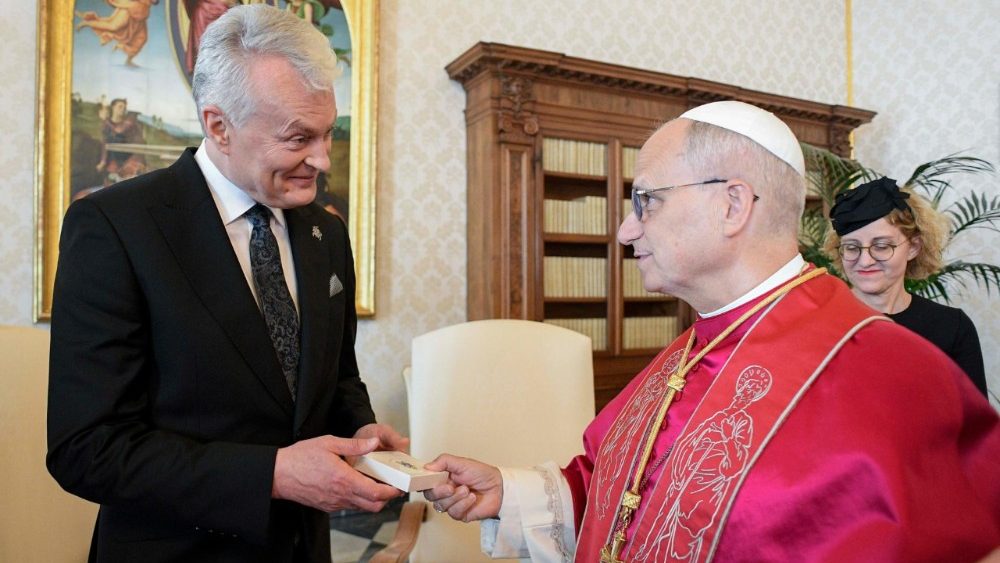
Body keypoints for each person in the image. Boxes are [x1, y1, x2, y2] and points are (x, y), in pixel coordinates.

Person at [423, 101, 1000, 562]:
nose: (625, 231)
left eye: (646, 201)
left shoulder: (884, 368)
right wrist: (508, 491)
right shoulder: (691, 350)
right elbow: (624, 497)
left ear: (732, 205)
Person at [47, 6, 405, 562]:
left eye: (328, 133)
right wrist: (273, 474)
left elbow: (337, 379)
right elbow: (87, 448)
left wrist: (362, 434)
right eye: (298, 138)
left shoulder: (326, 233)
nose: (321, 159)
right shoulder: (115, 226)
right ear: (219, 126)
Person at [826, 177, 988, 396]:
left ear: (913, 247)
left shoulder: (951, 328)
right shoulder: (818, 323)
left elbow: (972, 416)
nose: (865, 261)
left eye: (881, 246)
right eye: (852, 247)